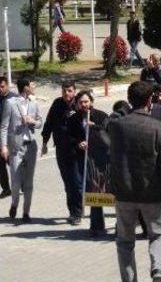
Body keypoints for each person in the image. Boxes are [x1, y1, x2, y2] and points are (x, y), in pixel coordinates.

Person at [108, 81, 161, 282]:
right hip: (153, 194)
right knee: (158, 235)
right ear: (150, 101)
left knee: (124, 241)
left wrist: (121, 112)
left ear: (130, 100)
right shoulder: (160, 128)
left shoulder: (117, 126)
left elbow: (102, 131)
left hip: (124, 194)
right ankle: (158, 270)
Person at [68, 91, 110, 236]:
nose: (84, 105)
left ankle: (101, 224)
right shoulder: (73, 119)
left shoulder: (101, 116)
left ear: (91, 102)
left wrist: (95, 128)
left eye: (86, 102)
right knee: (90, 190)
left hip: (99, 160)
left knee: (99, 190)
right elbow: (69, 137)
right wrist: (78, 143)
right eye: (81, 102)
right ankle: (96, 224)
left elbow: (108, 133)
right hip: (82, 159)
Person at [1, 77, 42, 221]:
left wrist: (33, 121)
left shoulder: (34, 103)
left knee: (29, 183)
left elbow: (40, 122)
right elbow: (4, 126)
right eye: (32, 84)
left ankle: (26, 213)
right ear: (25, 87)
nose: (34, 86)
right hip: (15, 148)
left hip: (31, 146)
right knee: (16, 183)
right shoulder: (10, 103)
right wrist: (4, 146)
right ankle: (14, 204)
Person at [42, 81, 83, 225]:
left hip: (77, 150)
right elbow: (49, 123)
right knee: (68, 183)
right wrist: (45, 142)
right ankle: (73, 211)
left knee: (77, 182)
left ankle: (78, 212)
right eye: (64, 91)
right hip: (61, 149)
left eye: (70, 91)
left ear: (74, 91)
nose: (67, 93)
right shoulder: (57, 104)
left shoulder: (79, 104)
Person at [0, 77, 16, 197]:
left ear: (7, 86)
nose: (0, 89)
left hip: (11, 137)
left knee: (13, 162)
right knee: (1, 165)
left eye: (2, 86)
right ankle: (6, 189)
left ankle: (22, 183)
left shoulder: (14, 98)